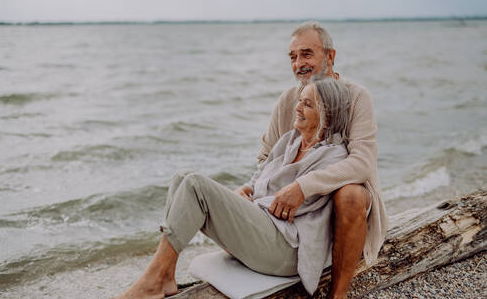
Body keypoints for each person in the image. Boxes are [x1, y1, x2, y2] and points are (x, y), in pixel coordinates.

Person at [113, 78, 355, 299]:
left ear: (327, 116)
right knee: (182, 177)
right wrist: (245, 192)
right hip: (263, 230)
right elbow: (259, 180)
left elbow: (286, 209)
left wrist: (248, 207)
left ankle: (153, 281)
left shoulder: (333, 156)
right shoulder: (289, 141)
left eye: (307, 105)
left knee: (196, 185)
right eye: (299, 101)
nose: (298, 108)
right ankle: (165, 274)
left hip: (287, 250)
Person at [238, 21, 389, 299]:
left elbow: (362, 164)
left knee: (352, 194)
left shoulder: (356, 97)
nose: (299, 64)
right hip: (294, 211)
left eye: (307, 54)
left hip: (337, 203)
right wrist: (248, 189)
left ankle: (338, 294)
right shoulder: (287, 100)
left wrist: (303, 186)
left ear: (330, 56)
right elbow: (266, 157)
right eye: (293, 57)